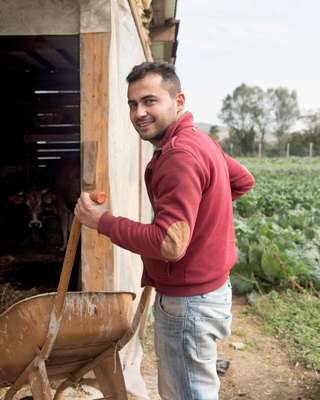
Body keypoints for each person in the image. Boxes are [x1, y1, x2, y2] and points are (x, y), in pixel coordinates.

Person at [75, 62, 255, 400]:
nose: (139, 112)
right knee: (196, 387)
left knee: (187, 393)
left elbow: (169, 245)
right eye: (132, 104)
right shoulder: (199, 140)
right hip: (212, 292)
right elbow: (243, 180)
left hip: (189, 303)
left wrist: (103, 222)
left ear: (178, 101)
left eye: (150, 101)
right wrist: (205, 218)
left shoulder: (179, 156)